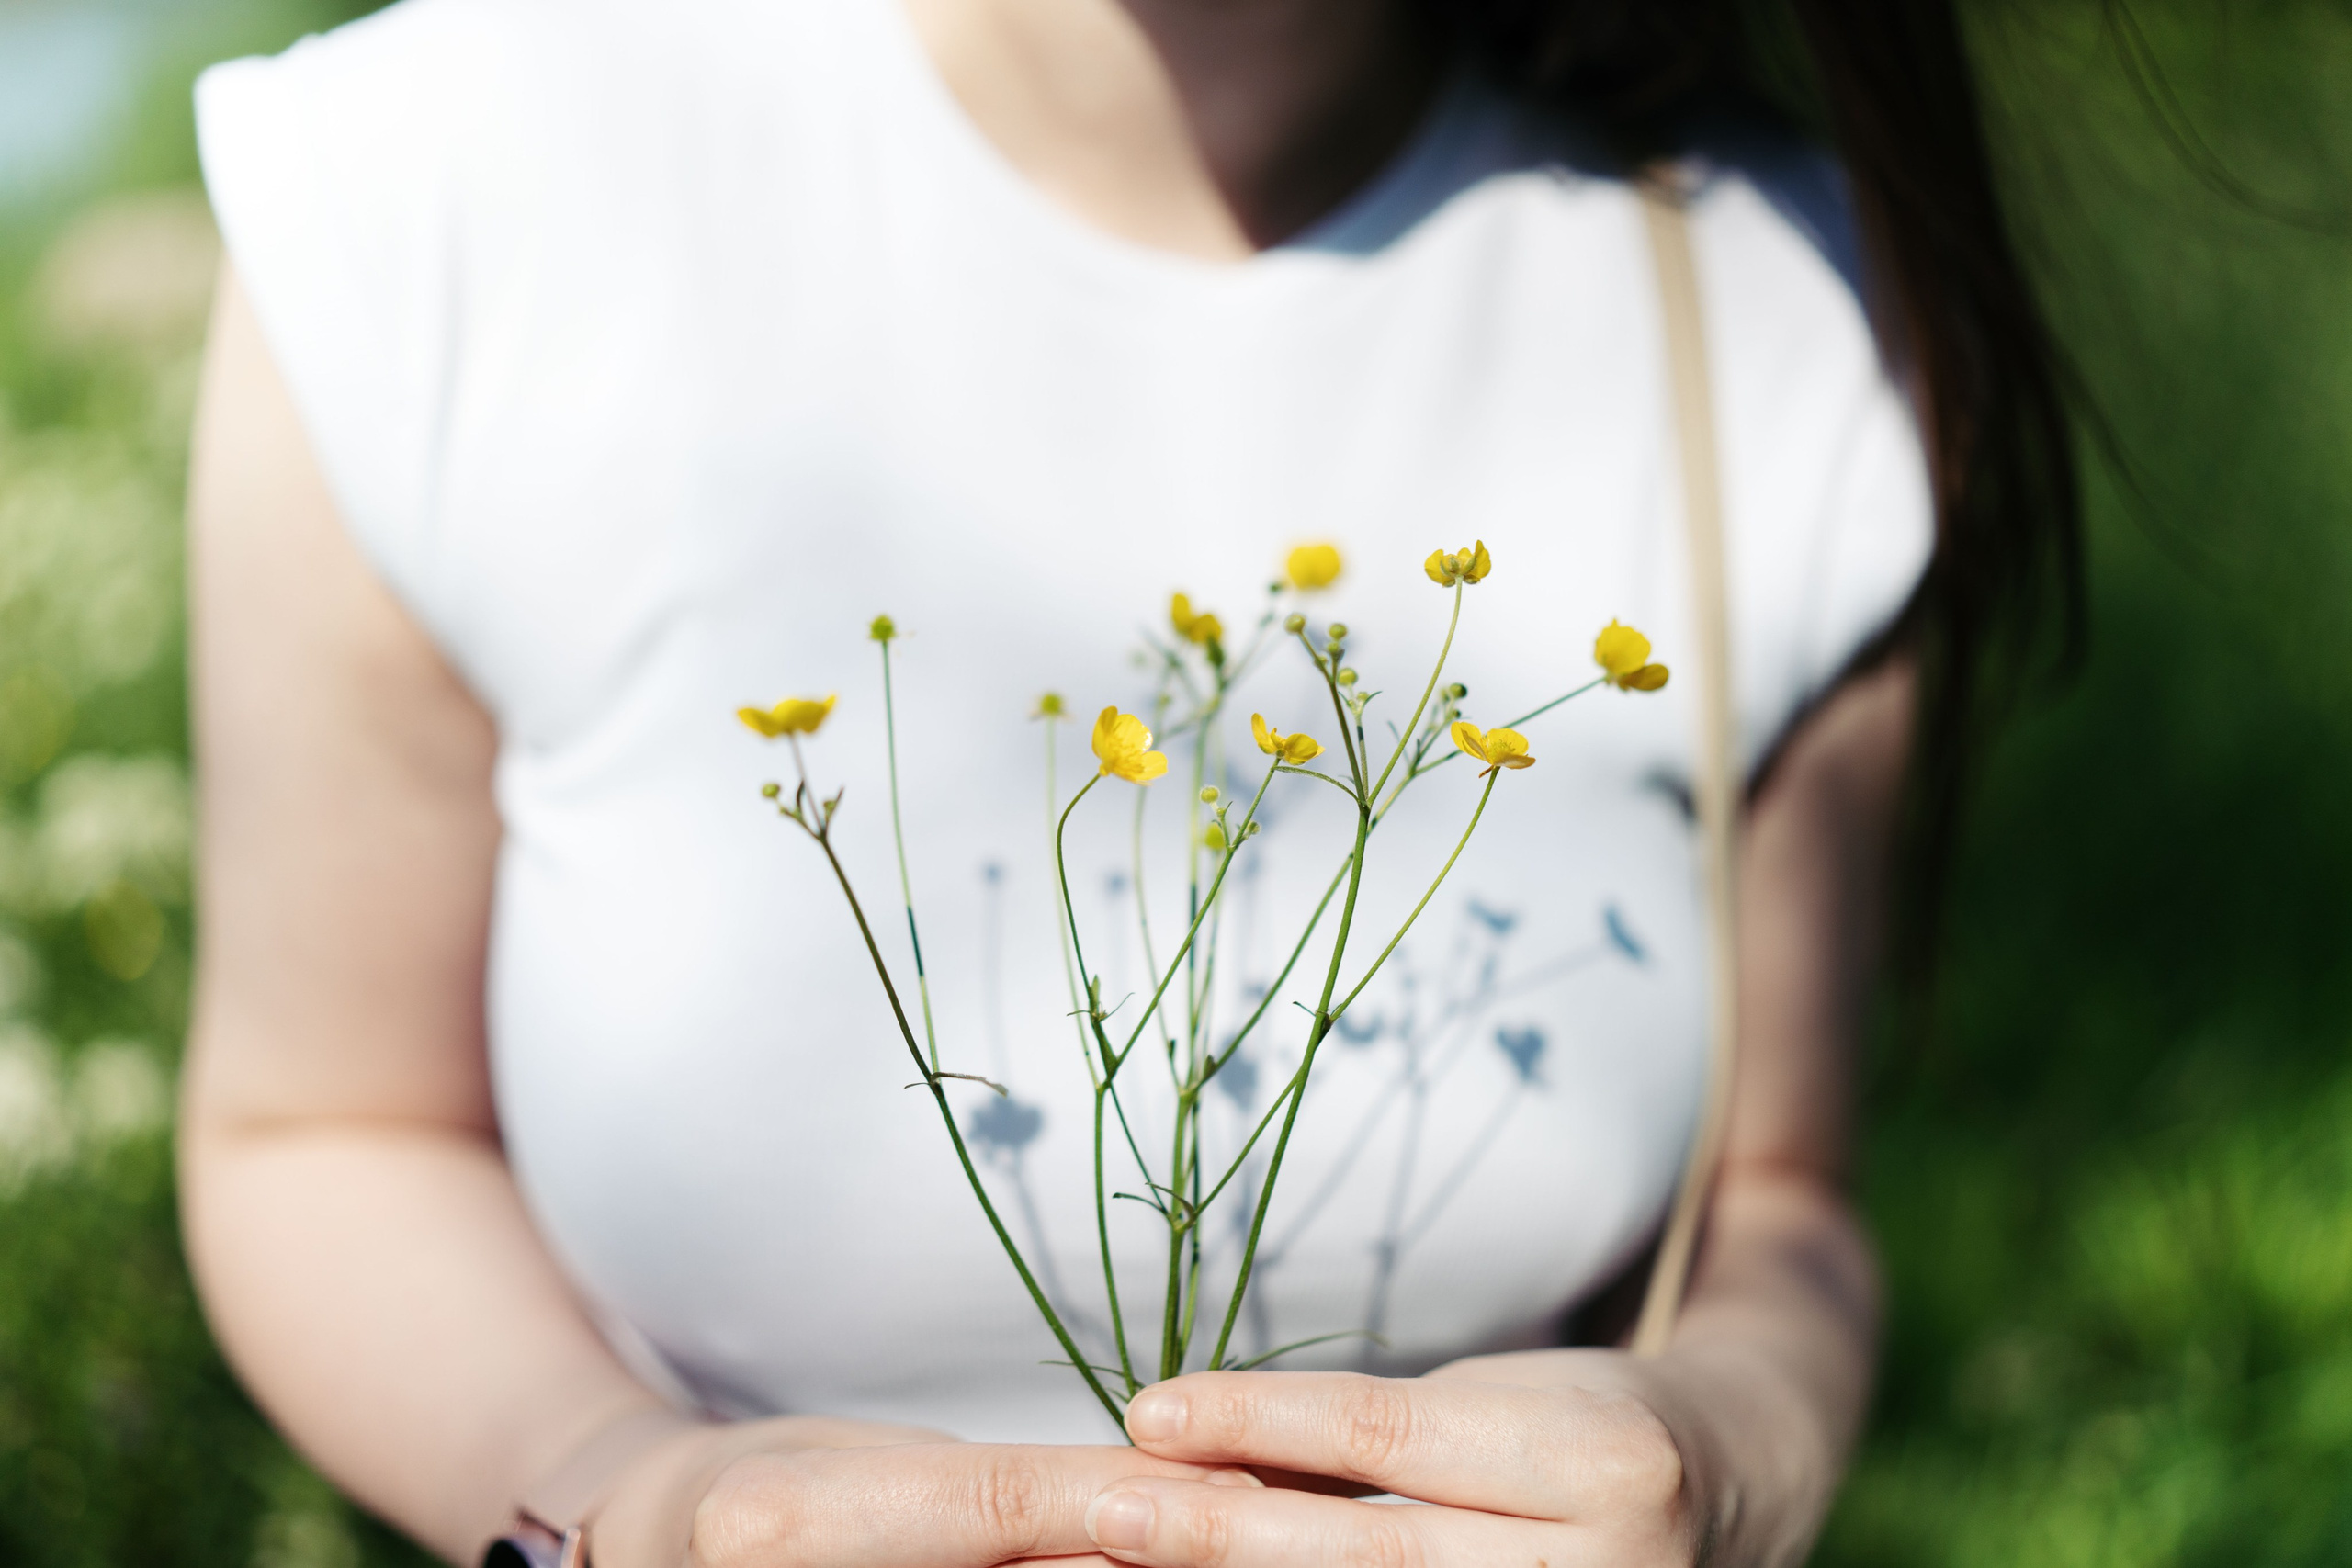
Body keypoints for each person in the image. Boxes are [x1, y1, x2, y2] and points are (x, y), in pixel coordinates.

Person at [181, 1, 2076, 1564]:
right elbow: (325, 1127)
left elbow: (1776, 1201)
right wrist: (619, 1498)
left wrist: (1717, 1458)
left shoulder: (1795, 310)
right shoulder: (430, 189)